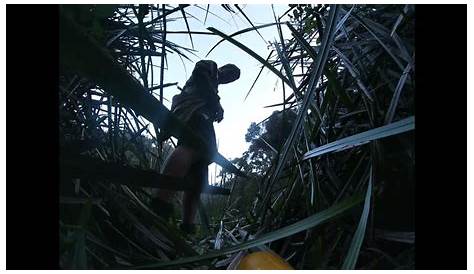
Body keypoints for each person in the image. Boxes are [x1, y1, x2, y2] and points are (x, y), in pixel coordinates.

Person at [152, 60, 240, 234]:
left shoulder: (214, 85)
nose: (229, 78)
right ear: (224, 67)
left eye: (233, 79)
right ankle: (159, 206)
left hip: (201, 117)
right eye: (230, 73)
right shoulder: (210, 67)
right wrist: (217, 104)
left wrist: (214, 107)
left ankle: (187, 225)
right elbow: (200, 74)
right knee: (192, 146)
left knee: (200, 164)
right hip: (194, 114)